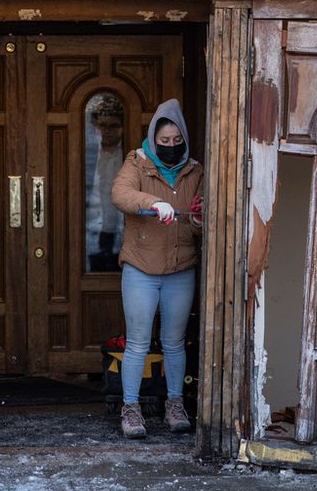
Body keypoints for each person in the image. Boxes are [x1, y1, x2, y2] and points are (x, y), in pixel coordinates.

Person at [110, 98, 204, 438]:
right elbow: (120, 194)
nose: (170, 146)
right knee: (137, 343)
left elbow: (200, 220)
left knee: (175, 342)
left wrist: (198, 220)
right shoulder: (137, 162)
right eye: (164, 141)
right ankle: (131, 409)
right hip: (141, 267)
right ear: (153, 138)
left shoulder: (195, 171)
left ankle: (175, 404)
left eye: (176, 141)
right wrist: (154, 203)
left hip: (181, 267)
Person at [86, 96, 125, 272]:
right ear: (95, 126)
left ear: (122, 127)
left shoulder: (128, 156)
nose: (107, 131)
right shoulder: (88, 154)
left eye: (113, 126)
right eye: (102, 125)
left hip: (122, 229)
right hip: (91, 229)